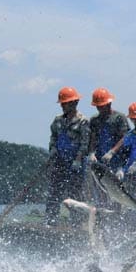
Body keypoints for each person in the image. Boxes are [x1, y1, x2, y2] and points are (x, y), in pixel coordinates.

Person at [46, 86, 90, 225]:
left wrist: (77, 160)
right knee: (54, 192)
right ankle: (51, 221)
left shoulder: (82, 121)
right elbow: (53, 137)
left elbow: (85, 144)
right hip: (59, 161)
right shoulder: (57, 120)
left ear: (75, 103)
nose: (64, 106)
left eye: (66, 103)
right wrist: (52, 150)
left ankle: (76, 224)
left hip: (76, 164)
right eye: (63, 103)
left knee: (75, 195)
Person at [87, 87, 128, 168]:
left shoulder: (119, 118)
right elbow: (93, 137)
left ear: (109, 103)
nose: (99, 109)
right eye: (97, 106)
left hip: (117, 158)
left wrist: (112, 152)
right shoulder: (94, 120)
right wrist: (91, 153)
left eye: (102, 106)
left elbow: (125, 137)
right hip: (100, 158)